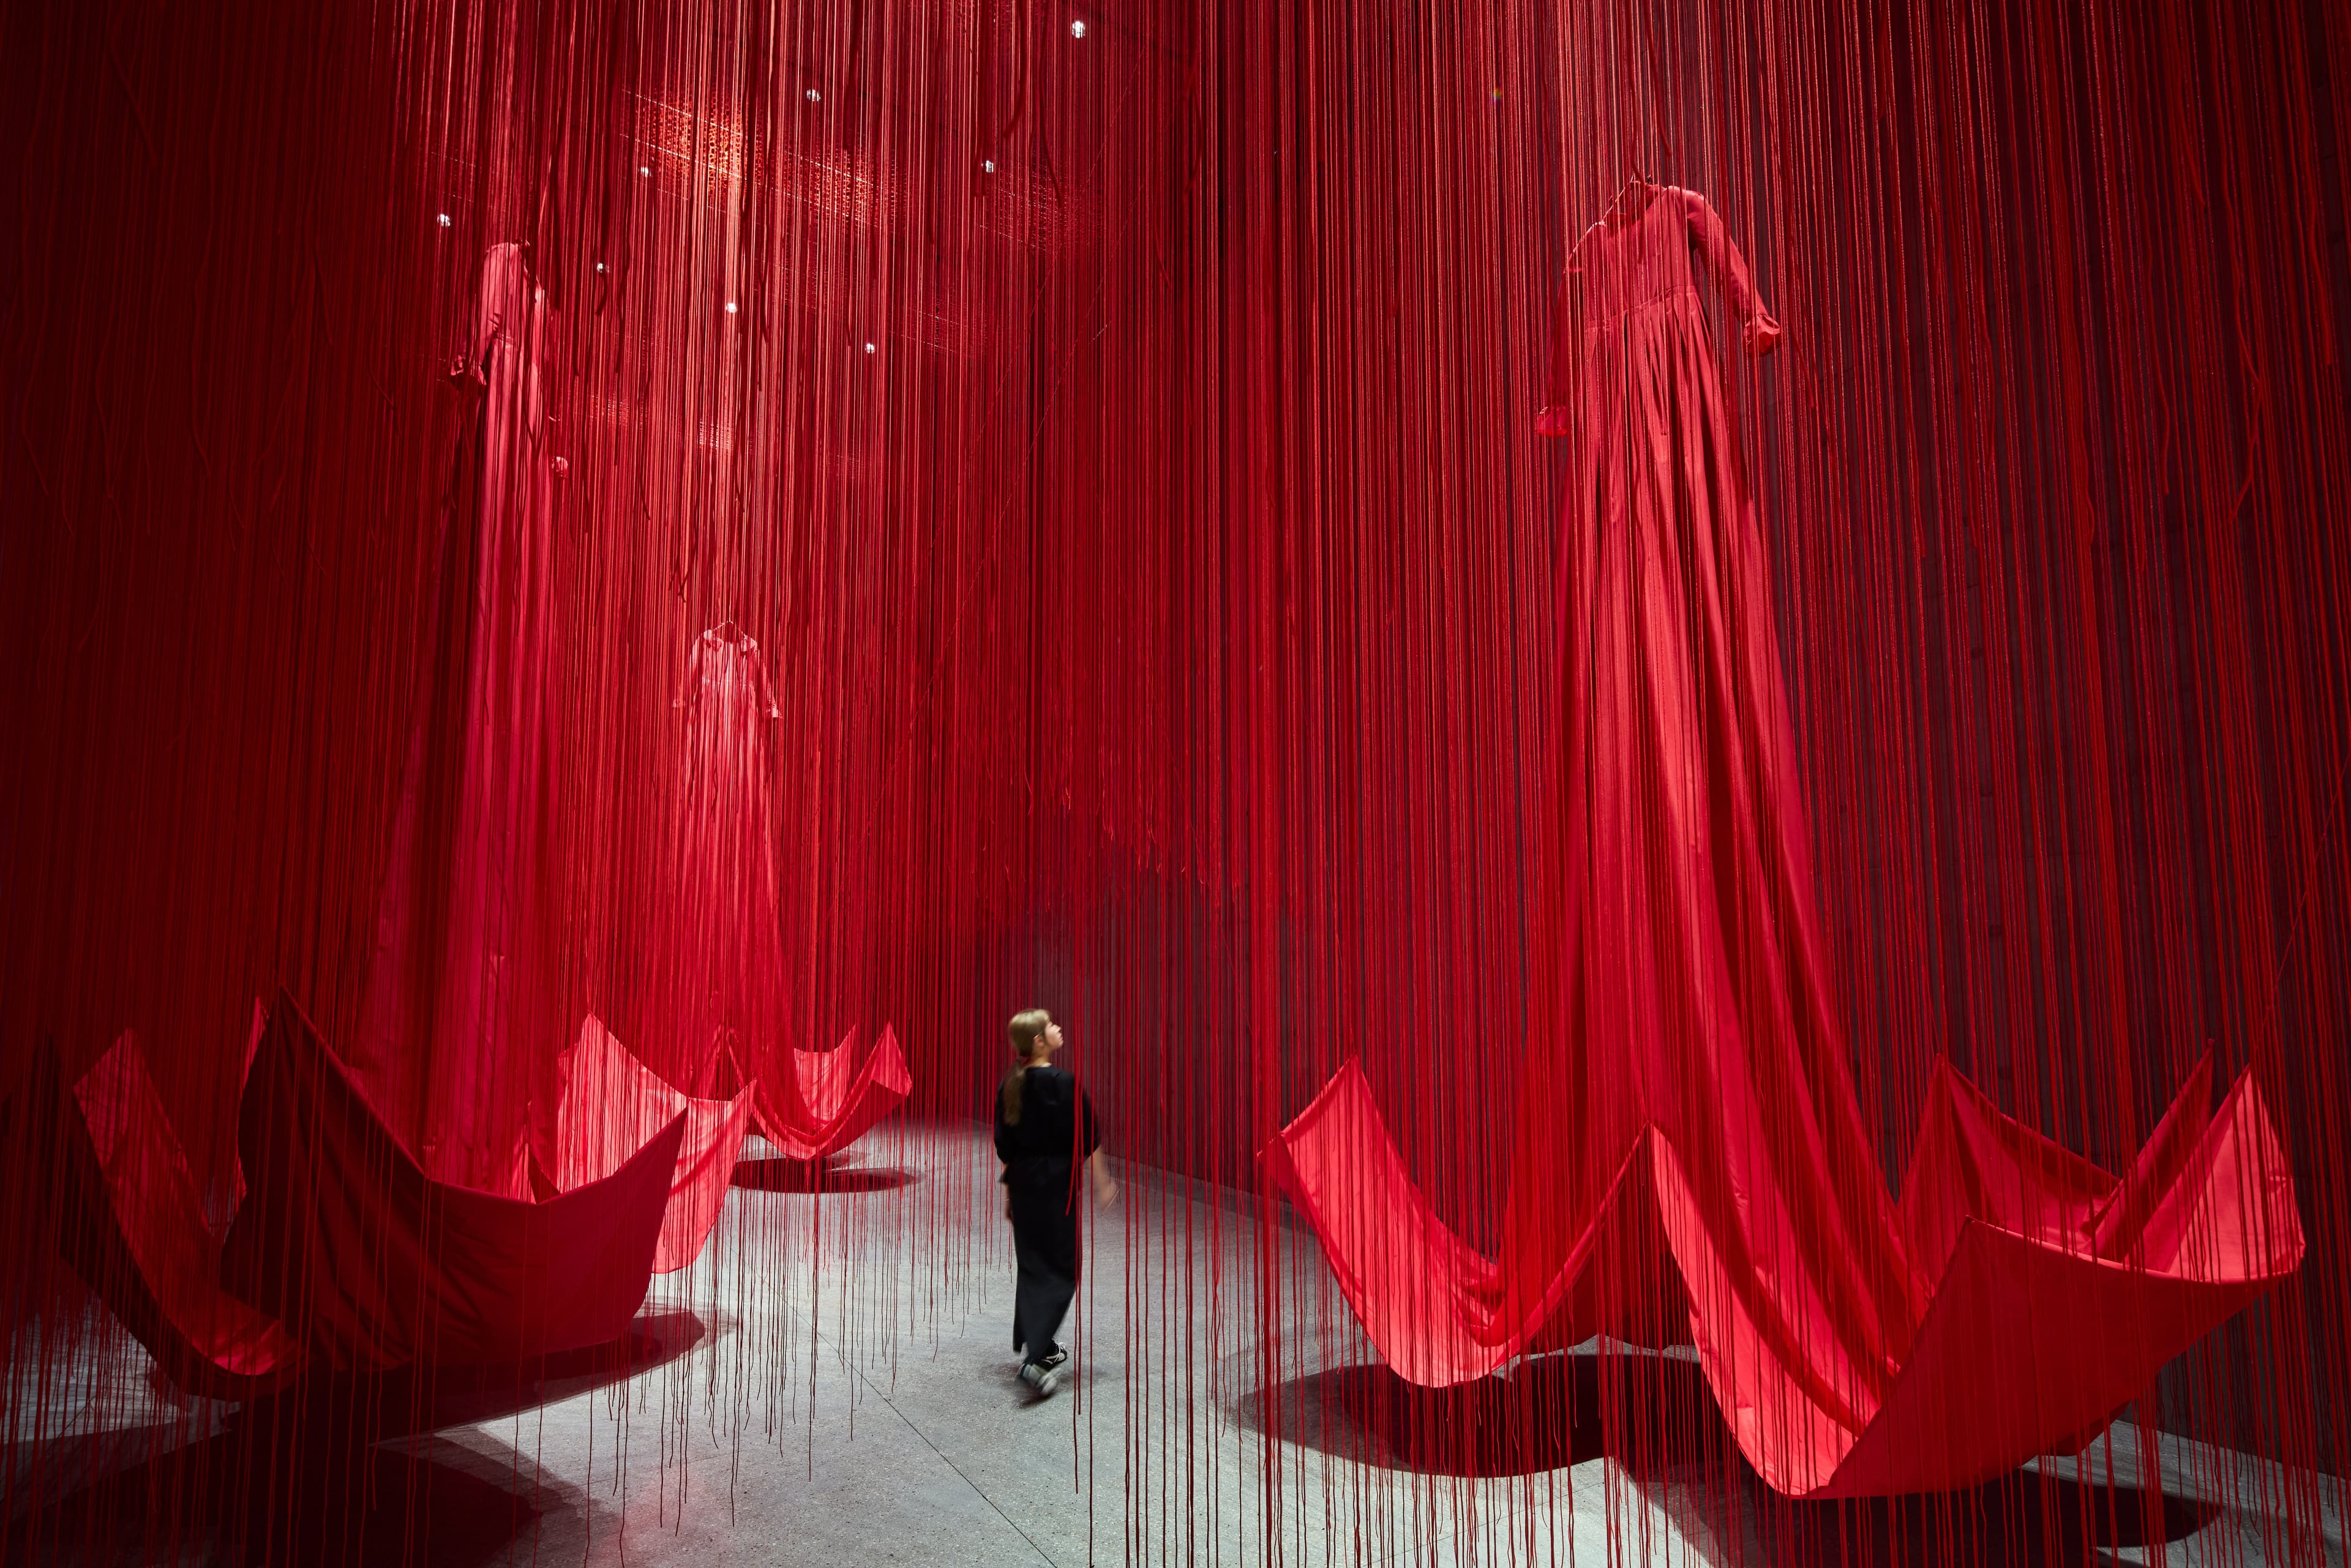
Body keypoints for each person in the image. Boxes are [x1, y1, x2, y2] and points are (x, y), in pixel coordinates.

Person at [994, 1009, 1116, 1398]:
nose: (1058, 1028)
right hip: (1056, 1189)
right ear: (1039, 1042)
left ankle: (1043, 1348)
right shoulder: (1065, 1084)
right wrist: (1103, 1183)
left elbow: (1006, 1148)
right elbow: (1089, 1136)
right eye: (1051, 1026)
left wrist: (1011, 1195)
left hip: (1025, 1187)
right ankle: (1033, 1362)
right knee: (1061, 1269)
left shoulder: (1010, 1086)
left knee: (1033, 1266)